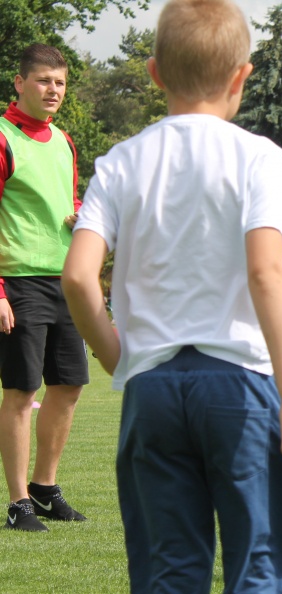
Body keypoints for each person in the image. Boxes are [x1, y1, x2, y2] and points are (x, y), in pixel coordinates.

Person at [61, 1, 282, 594]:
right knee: (261, 581)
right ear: (243, 76)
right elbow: (268, 270)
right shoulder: (260, 158)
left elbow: (78, 277)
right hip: (240, 384)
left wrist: (120, 356)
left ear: (154, 74)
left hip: (152, 392)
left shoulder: (119, 162)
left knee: (171, 586)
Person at [0, 44, 88, 532]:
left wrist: (79, 217)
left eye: (59, 83)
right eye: (43, 81)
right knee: (20, 390)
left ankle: (45, 488)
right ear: (20, 83)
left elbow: (68, 199)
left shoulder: (64, 141)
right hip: (17, 281)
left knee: (69, 386)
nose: (53, 90)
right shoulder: (2, 137)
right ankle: (17, 503)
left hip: (62, 279)